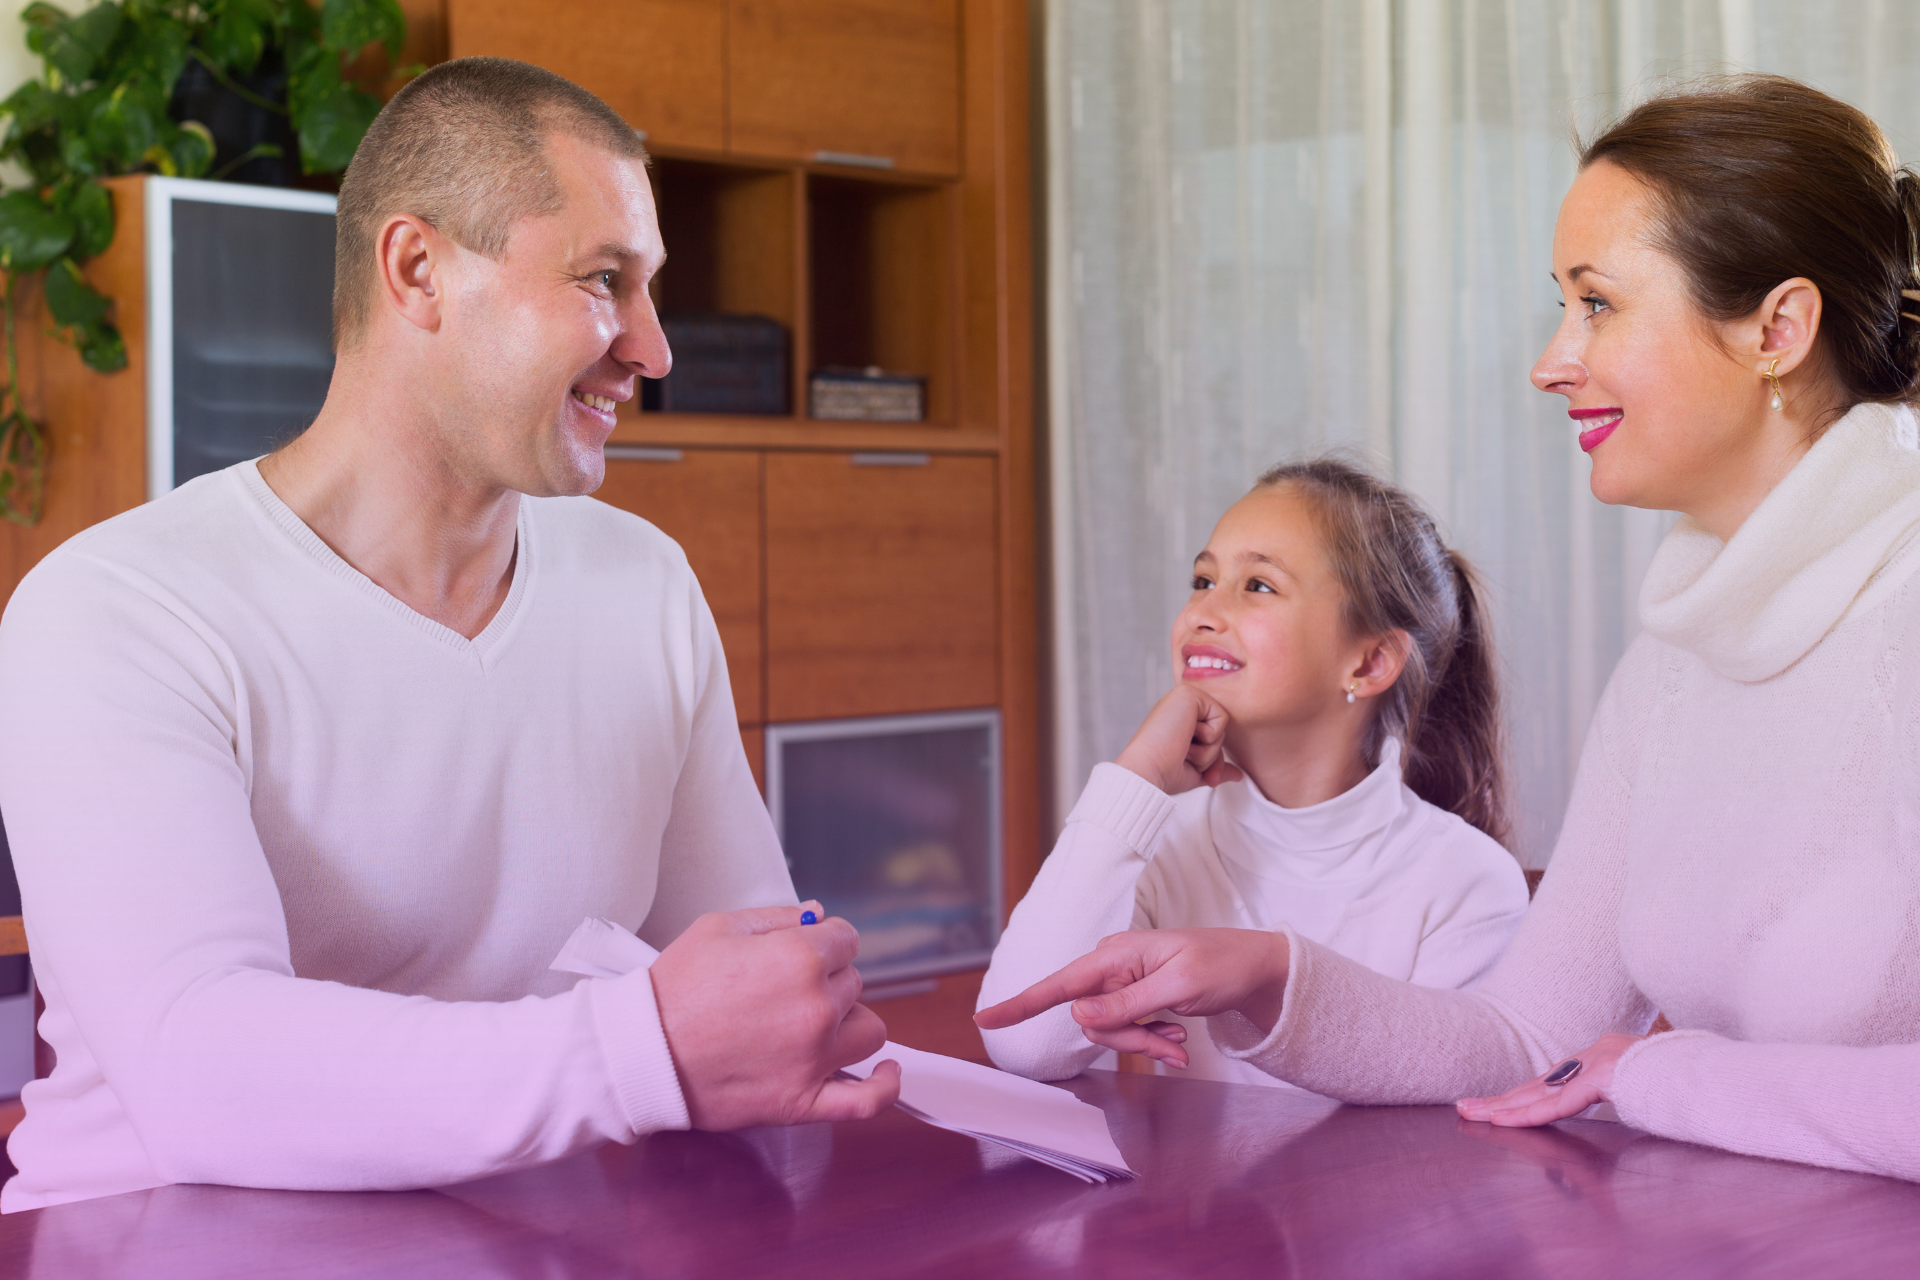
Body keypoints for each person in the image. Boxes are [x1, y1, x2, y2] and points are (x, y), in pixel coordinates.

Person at [978, 73, 1920, 1182]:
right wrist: (1273, 973)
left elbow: (1614, 1067)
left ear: (1778, 327)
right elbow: (1527, 1037)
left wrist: (1660, 1074)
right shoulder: (1671, 663)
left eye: (1597, 303)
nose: (1550, 360)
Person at [0, 57, 897, 1212]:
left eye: (650, 289)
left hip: (530, 1226)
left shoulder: (645, 585)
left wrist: (784, 1007)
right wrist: (641, 1044)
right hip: (154, 1236)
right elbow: (198, 1066)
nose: (655, 350)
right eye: (604, 279)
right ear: (418, 270)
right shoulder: (119, 607)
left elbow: (749, 981)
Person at [977, 458, 1529, 1085]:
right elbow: (1023, 1043)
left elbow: (1456, 1117)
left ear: (1371, 661)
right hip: (1189, 1188)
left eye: (1258, 586)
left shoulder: (1468, 882)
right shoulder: (1159, 840)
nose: (1204, 613)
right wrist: (1132, 782)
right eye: (1202, 579)